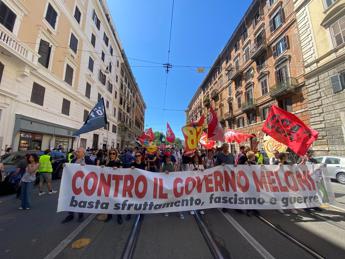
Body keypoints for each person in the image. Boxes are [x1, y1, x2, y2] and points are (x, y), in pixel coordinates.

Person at [61, 147, 93, 223]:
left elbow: (94, 170)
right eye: (76, 151)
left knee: (81, 199)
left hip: (83, 184)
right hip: (73, 184)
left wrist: (85, 167)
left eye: (78, 152)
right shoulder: (73, 160)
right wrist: (65, 166)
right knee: (71, 199)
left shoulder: (88, 160)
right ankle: (70, 214)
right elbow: (69, 170)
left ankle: (80, 215)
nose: (76, 153)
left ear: (83, 153)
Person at [104, 149, 123, 224]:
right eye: (110, 153)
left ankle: (119, 216)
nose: (112, 155)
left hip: (116, 185)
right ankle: (109, 216)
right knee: (109, 201)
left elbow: (123, 171)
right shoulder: (106, 161)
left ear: (116, 154)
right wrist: (102, 167)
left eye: (113, 153)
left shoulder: (119, 162)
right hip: (108, 184)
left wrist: (118, 169)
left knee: (117, 201)